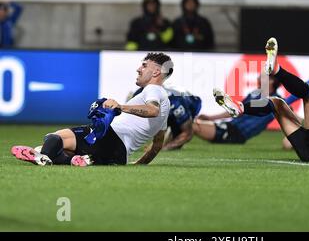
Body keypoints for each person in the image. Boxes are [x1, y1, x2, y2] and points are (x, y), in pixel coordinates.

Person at [11, 52, 174, 167]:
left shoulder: (153, 90)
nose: (139, 69)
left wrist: (120, 106)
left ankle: (41, 156)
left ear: (156, 72)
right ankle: (67, 160)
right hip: (118, 157)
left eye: (144, 66)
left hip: (109, 137)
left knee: (54, 138)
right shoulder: (165, 101)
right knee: (68, 151)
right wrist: (138, 164)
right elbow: (157, 145)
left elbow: (153, 110)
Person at [195, 74, 281, 144]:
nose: (258, 78)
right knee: (194, 124)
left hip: (237, 133)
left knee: (194, 125)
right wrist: (210, 118)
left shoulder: (277, 102)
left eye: (262, 76)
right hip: (230, 126)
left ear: (271, 81)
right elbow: (237, 110)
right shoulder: (255, 94)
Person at [131, 85, 202, 151]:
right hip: (169, 107)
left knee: (177, 137)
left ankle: (201, 122)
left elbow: (187, 133)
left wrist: (164, 149)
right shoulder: (140, 94)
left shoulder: (175, 103)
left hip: (190, 104)